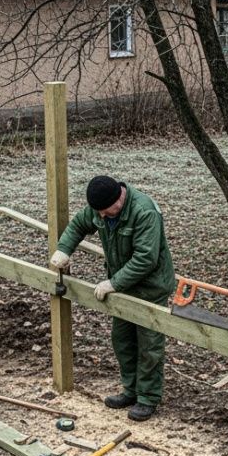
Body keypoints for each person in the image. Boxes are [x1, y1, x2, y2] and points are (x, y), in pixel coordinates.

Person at [50, 176, 175, 421]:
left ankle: (148, 397)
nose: (103, 217)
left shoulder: (144, 212)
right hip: (124, 288)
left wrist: (113, 283)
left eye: (107, 212)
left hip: (150, 288)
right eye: (99, 213)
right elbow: (78, 225)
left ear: (120, 197)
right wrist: (63, 249)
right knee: (122, 340)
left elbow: (145, 259)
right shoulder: (102, 208)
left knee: (149, 345)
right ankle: (130, 390)